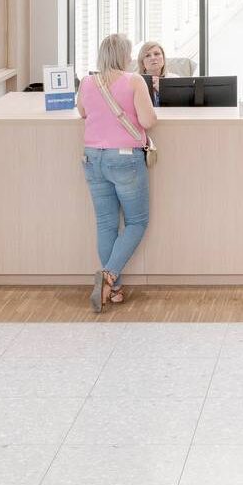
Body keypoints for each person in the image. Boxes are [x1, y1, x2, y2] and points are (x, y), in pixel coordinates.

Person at [76, 34, 157, 312]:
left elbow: (82, 112)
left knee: (106, 224)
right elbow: (147, 120)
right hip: (124, 158)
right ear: (124, 56)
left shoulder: (88, 82)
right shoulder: (134, 81)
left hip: (92, 158)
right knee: (136, 222)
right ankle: (109, 275)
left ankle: (115, 290)